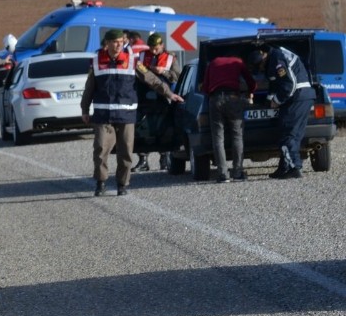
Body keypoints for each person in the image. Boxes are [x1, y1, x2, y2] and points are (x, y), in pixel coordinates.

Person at [81, 29, 183, 196]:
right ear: (107, 43)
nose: (119, 44)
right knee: (100, 150)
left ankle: (122, 184)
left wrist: (169, 94)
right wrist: (84, 109)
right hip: (103, 116)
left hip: (126, 115)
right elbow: (89, 88)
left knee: (126, 152)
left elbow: (152, 80)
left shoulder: (132, 61)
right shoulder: (96, 61)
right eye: (115, 42)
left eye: (121, 41)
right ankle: (101, 183)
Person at [249, 45, 316, 179]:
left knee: (287, 134)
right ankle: (284, 168)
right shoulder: (274, 59)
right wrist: (268, 102)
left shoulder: (277, 59)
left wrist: (277, 101)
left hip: (297, 97)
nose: (260, 68)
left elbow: (288, 85)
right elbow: (275, 86)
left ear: (264, 56)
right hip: (303, 96)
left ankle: (294, 168)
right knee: (294, 135)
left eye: (260, 64)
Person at [201, 54, 256, 182]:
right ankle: (237, 173)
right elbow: (251, 82)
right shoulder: (238, 61)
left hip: (215, 100)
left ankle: (223, 175)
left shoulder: (213, 62)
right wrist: (250, 92)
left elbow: (205, 88)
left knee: (218, 138)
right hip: (233, 99)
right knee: (237, 136)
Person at [134, 32, 179, 171]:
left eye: (156, 48)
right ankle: (143, 160)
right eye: (151, 48)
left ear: (162, 45)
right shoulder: (141, 56)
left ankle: (164, 158)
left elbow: (176, 76)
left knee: (163, 128)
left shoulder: (170, 58)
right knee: (140, 129)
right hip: (143, 98)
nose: (154, 50)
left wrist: (163, 72)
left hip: (163, 98)